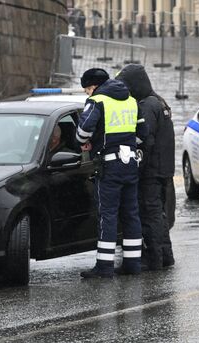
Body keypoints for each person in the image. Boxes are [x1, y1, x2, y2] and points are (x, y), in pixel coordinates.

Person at [76, 68, 147, 278]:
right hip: (130, 163)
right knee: (131, 214)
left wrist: (89, 143)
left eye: (87, 89)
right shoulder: (131, 100)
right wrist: (126, 146)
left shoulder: (97, 101)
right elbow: (142, 134)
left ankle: (104, 267)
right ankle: (133, 264)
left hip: (109, 166)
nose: (87, 93)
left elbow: (82, 132)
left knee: (107, 215)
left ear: (94, 86)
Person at [115, 64, 175, 271]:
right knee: (158, 214)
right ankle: (165, 255)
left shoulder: (146, 106)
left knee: (150, 215)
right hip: (161, 169)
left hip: (151, 170)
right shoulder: (159, 102)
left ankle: (153, 257)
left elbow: (144, 140)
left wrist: (136, 168)